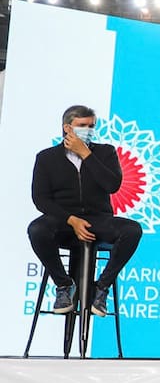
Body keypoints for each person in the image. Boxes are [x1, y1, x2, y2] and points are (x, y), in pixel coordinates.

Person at [28, 105, 143, 316]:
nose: (88, 130)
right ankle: (63, 286)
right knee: (37, 229)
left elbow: (112, 185)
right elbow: (40, 199)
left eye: (91, 126)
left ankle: (101, 288)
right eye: (82, 126)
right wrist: (71, 219)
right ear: (67, 128)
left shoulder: (106, 152)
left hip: (98, 219)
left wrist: (86, 154)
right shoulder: (46, 158)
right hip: (63, 220)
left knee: (132, 230)